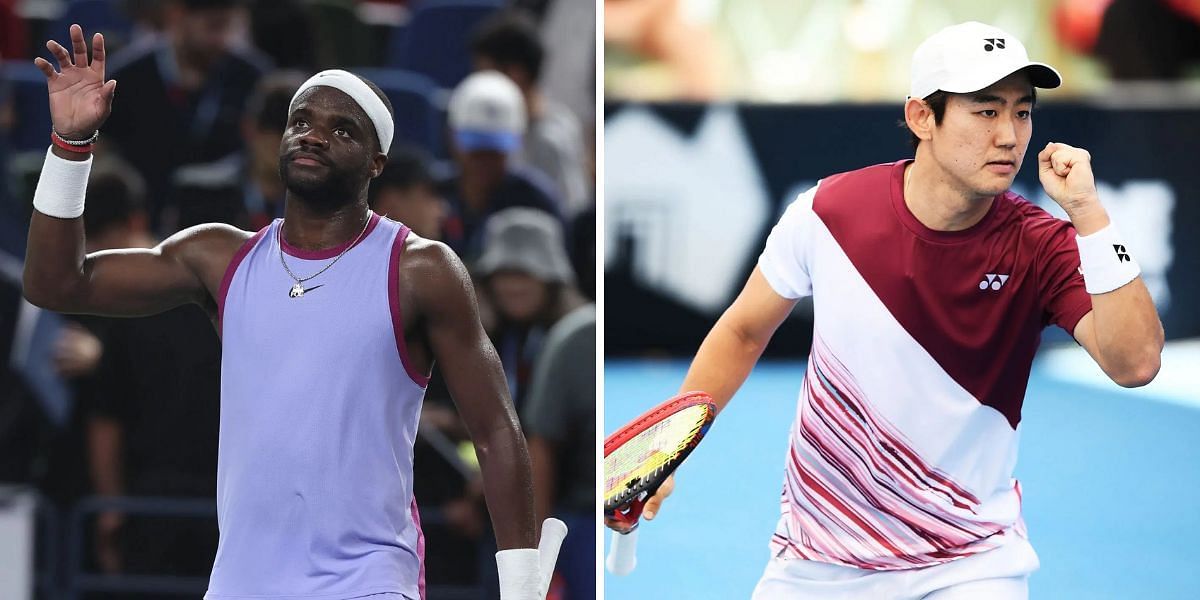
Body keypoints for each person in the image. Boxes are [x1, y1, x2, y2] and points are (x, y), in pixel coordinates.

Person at [605, 21, 1163, 600]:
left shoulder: (1042, 243)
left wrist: (1091, 216)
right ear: (923, 117)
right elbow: (744, 330)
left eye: (1022, 113)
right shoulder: (828, 212)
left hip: (971, 564)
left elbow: (1136, 363)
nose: (1009, 136)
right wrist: (668, 450)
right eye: (986, 111)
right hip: (816, 561)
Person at [24, 25, 557, 600]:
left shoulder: (420, 269)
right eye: (300, 122)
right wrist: (70, 147)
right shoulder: (217, 256)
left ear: (377, 163)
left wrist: (523, 590)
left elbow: (497, 432)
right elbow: (55, 283)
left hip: (369, 581)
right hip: (239, 584)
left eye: (341, 129)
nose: (313, 136)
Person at [101, 0, 268, 232]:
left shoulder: (251, 77)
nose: (222, 40)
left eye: (229, 27)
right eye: (213, 26)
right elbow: (102, 156)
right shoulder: (127, 79)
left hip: (229, 226)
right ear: (176, 15)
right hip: (143, 225)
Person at [470, 11, 590, 218]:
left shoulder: (551, 138)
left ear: (516, 74)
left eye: (485, 74)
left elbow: (572, 213)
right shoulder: (486, 127)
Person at [438, 70, 562, 260]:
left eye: (495, 152)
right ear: (452, 138)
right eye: (476, 151)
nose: (484, 162)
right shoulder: (432, 194)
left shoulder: (537, 202)